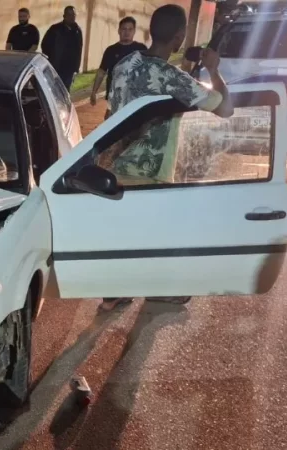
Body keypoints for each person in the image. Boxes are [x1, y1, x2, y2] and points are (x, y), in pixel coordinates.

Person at [100, 4, 234, 311]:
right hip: (149, 171)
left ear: (150, 31)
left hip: (114, 165)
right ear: (179, 37)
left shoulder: (125, 64)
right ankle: (161, 290)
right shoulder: (171, 76)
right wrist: (213, 70)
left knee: (122, 234)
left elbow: (113, 111)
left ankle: (112, 293)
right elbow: (225, 108)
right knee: (159, 235)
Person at [89, 17, 148, 120]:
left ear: (134, 31)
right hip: (114, 95)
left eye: (130, 29)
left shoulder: (141, 49)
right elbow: (101, 72)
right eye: (124, 29)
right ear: (119, 31)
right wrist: (94, 92)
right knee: (110, 121)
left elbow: (148, 70)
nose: (127, 32)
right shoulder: (111, 50)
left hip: (134, 95)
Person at [41, 6, 83, 89]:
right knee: (53, 89)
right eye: (69, 15)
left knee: (65, 91)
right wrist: (51, 58)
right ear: (64, 16)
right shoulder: (55, 29)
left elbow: (79, 50)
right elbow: (44, 44)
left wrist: (76, 68)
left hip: (69, 69)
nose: (72, 17)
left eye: (73, 15)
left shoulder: (77, 31)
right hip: (55, 66)